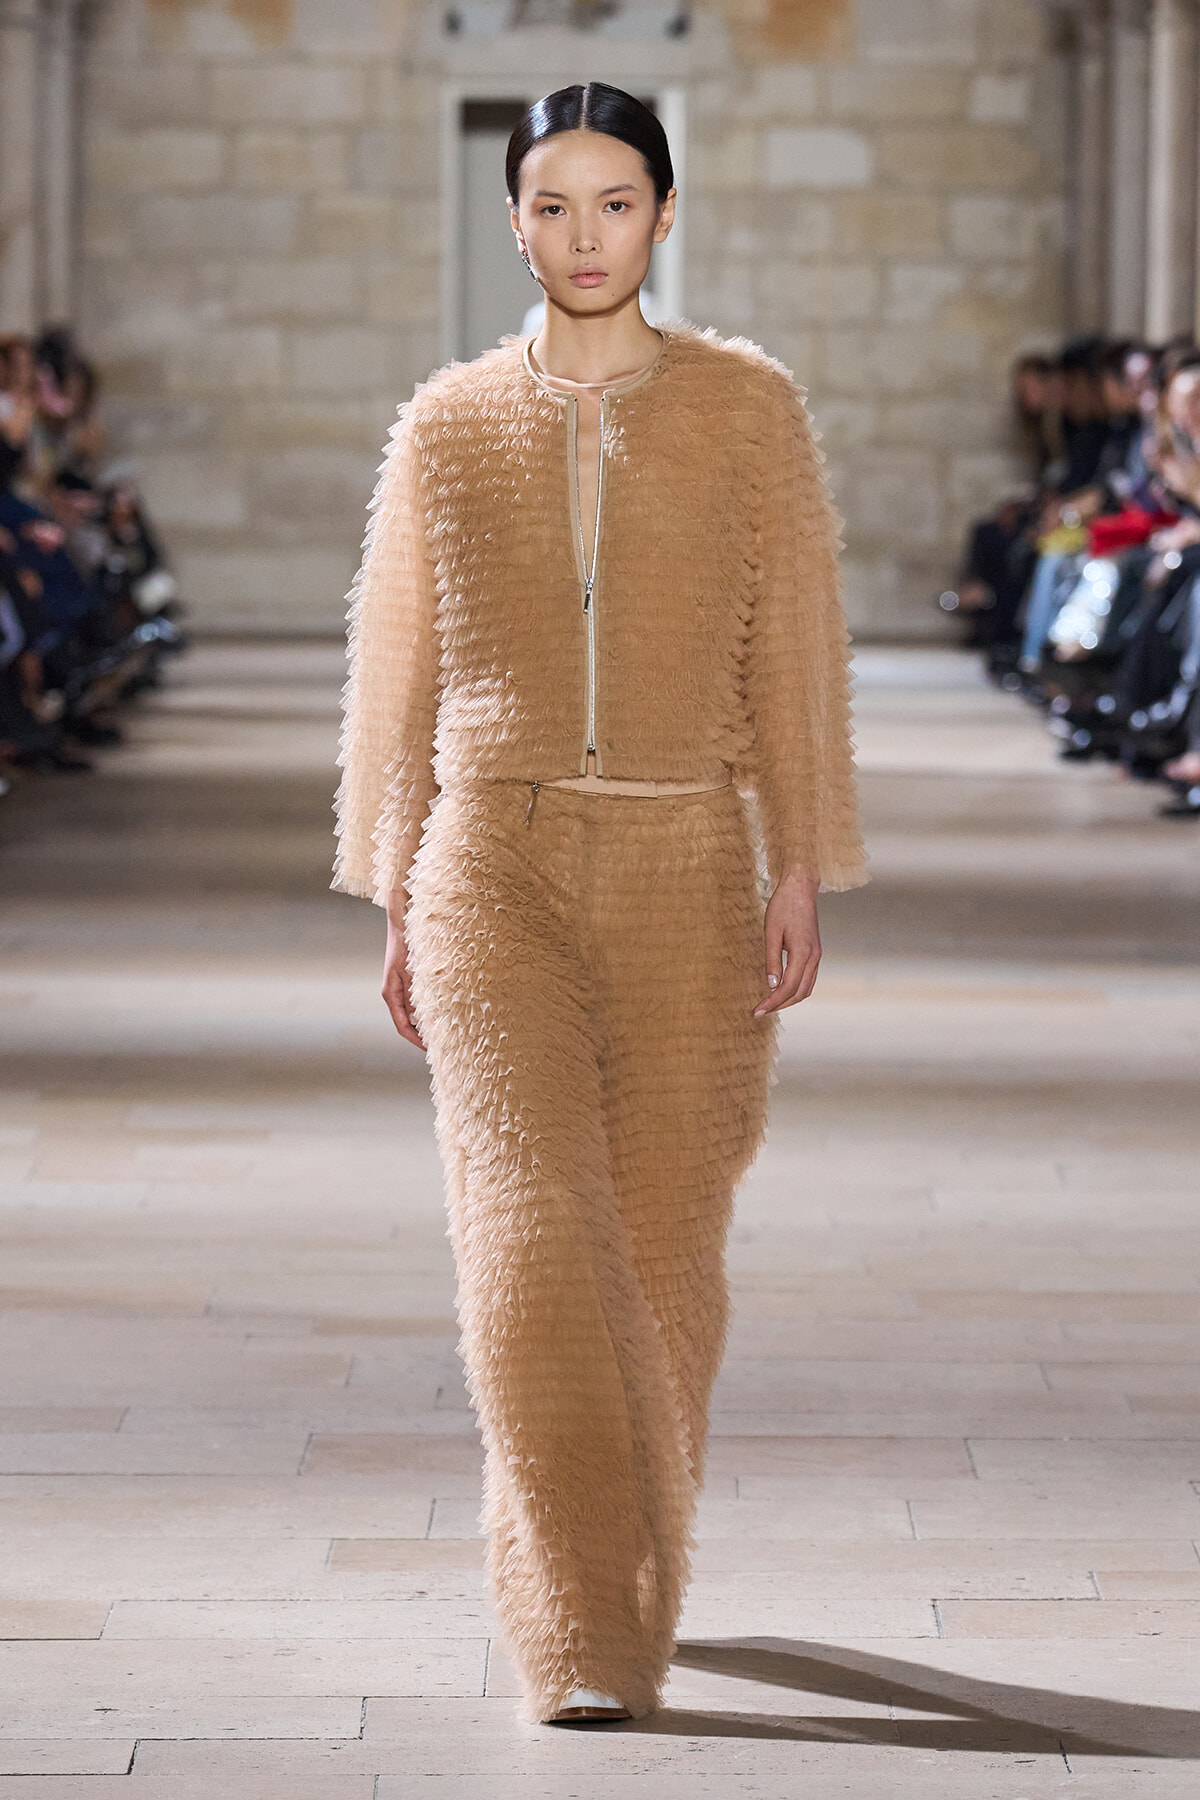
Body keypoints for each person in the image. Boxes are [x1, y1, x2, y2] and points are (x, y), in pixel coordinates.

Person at [333, 82, 865, 1726]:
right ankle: (582, 1632)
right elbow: (397, 675)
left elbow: (792, 649)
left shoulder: (748, 411)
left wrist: (797, 857)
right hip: (491, 857)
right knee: (531, 1242)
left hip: (688, 857)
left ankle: (637, 1557)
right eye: (552, 205)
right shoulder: (446, 423)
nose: (584, 236)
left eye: (615, 202)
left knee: (665, 1248)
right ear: (512, 220)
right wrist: (399, 889)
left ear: (665, 211)